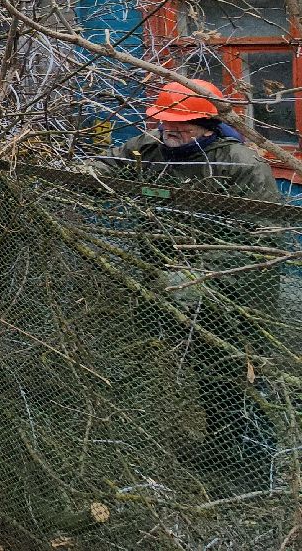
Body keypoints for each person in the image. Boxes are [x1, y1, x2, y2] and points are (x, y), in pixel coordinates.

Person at [92, 77, 283, 491]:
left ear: (207, 125)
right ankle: (220, 447)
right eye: (166, 125)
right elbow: (105, 167)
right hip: (168, 283)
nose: (172, 134)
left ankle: (255, 468)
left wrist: (202, 271)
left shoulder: (242, 165)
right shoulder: (149, 148)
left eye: (182, 127)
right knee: (203, 371)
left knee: (240, 373)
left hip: (237, 295)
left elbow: (266, 239)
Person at [93, 78, 280, 202]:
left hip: (212, 256)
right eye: (166, 121)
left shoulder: (242, 165)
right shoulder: (147, 144)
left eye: (179, 124)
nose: (168, 129)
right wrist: (78, 173)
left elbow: (265, 232)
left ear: (208, 130)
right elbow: (110, 163)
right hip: (150, 249)